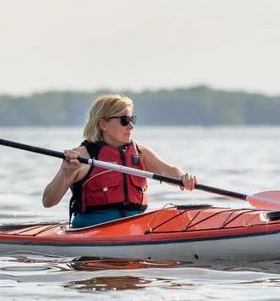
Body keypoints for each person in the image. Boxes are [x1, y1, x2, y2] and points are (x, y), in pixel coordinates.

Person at [42, 94, 197, 228]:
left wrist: (184, 177)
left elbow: (169, 171)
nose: (130, 126)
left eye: (132, 119)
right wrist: (65, 172)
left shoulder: (141, 153)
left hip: (135, 228)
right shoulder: (81, 156)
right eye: (124, 120)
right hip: (92, 231)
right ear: (103, 124)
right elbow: (48, 201)